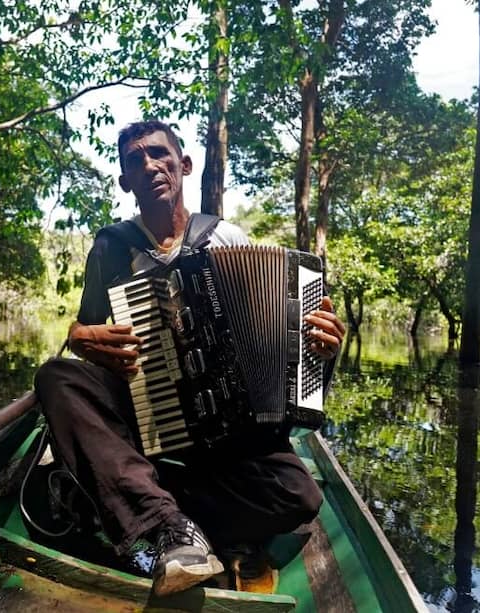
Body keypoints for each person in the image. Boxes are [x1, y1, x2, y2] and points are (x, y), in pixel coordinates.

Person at [34, 120, 346, 596]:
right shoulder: (110, 248)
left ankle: (128, 498)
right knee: (57, 378)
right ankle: (169, 527)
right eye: (134, 161)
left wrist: (321, 349)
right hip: (143, 416)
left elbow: (280, 354)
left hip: (226, 432)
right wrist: (78, 337)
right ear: (126, 182)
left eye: (159, 154)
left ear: (183, 165)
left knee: (299, 495)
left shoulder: (227, 238)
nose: (149, 166)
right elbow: (87, 334)